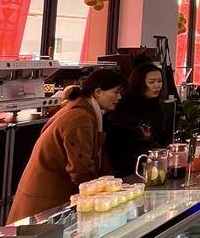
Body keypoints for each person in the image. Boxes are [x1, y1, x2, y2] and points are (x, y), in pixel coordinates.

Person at [8, 69, 125, 222]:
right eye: (116, 92)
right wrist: (98, 196)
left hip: (47, 195)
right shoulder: (81, 118)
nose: (119, 97)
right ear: (98, 92)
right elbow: (80, 168)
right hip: (45, 202)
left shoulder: (80, 109)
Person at [105, 63, 172, 178]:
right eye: (151, 82)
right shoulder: (123, 104)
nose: (157, 85)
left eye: (160, 81)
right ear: (139, 83)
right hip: (124, 164)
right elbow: (121, 138)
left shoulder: (156, 105)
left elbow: (161, 134)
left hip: (149, 161)